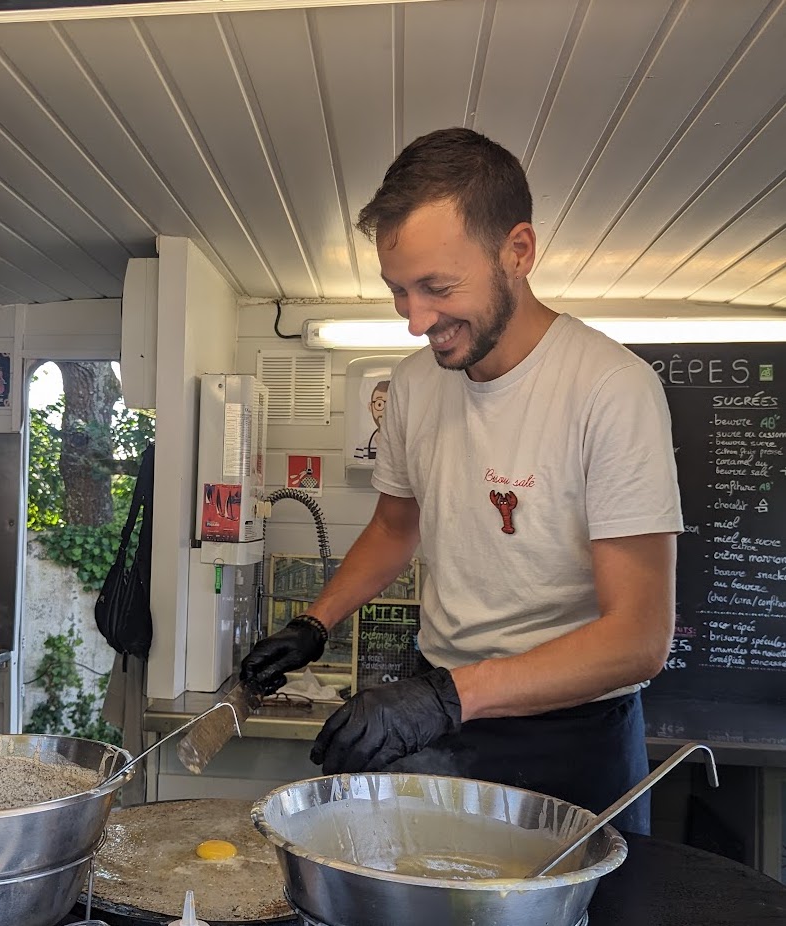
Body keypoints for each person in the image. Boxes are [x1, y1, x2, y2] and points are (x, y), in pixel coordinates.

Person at [240, 127, 682, 834]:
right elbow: (394, 528)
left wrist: (445, 697)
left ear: (518, 251)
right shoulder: (416, 385)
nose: (417, 320)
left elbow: (638, 638)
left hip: (573, 734)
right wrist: (313, 623)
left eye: (437, 287)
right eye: (399, 291)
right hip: (446, 715)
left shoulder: (611, 388)